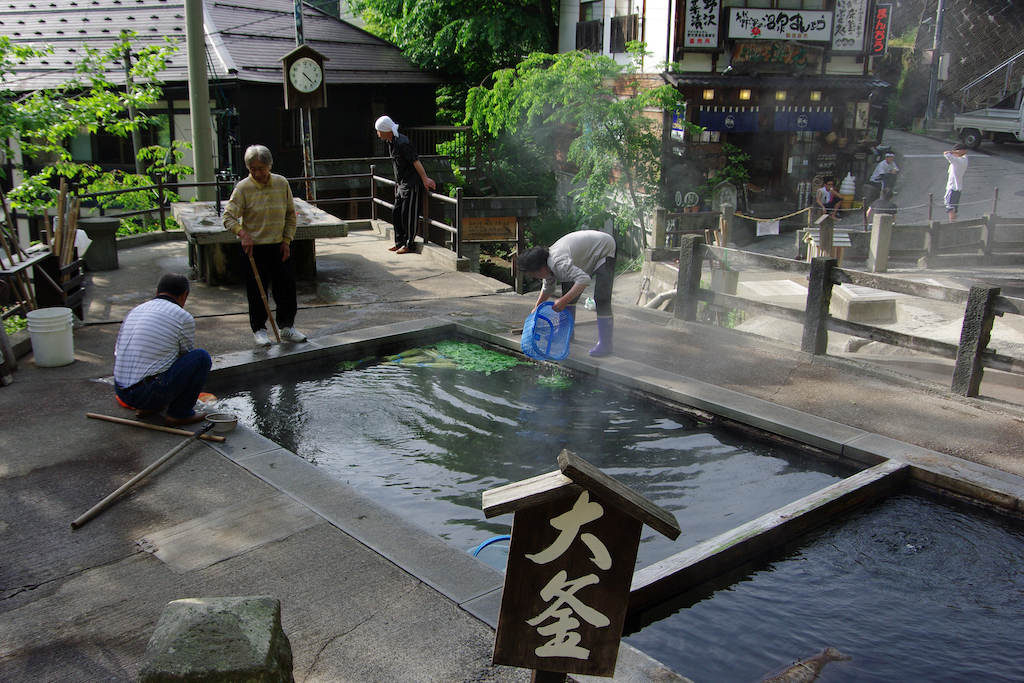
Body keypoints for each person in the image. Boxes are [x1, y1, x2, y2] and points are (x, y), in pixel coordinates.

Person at [223, 144, 307, 346]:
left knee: (286, 288)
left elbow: (290, 215)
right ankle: (259, 329)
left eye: (261, 168)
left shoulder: (281, 183)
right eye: (252, 169)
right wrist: (243, 233)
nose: (257, 173)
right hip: (253, 249)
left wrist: (287, 241)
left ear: (270, 165)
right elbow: (228, 217)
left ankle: (286, 327)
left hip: (278, 245)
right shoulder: (243, 188)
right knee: (256, 291)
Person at [113, 273, 212, 426]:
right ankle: (179, 414)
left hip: (121, 391)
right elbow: (184, 356)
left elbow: (118, 351)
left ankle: (147, 407)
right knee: (201, 358)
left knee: (157, 365)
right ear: (184, 295)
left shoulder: (135, 311)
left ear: (157, 292)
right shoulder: (182, 316)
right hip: (146, 393)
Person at [516, 230, 617, 357]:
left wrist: (563, 301)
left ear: (541, 267)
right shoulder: (547, 264)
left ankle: (605, 343)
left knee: (601, 298)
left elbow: (584, 280)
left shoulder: (558, 263)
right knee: (568, 290)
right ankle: (566, 333)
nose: (533, 277)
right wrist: (537, 307)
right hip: (586, 252)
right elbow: (548, 287)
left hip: (603, 247)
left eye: (533, 273)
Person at [374, 115, 436, 254]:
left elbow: (415, 161)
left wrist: (425, 179)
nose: (378, 134)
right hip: (402, 183)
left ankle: (409, 244)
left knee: (408, 214)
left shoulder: (402, 143)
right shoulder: (392, 142)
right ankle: (399, 242)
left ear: (386, 130)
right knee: (397, 212)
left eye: (379, 131)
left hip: (412, 183)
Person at [944, 143, 969, 222]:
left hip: (953, 188)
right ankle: (953, 224)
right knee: (953, 208)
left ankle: (952, 225)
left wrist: (955, 152)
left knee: (951, 208)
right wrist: (959, 152)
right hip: (957, 188)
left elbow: (946, 153)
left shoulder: (958, 161)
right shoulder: (964, 160)